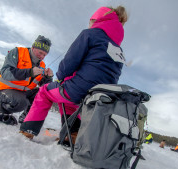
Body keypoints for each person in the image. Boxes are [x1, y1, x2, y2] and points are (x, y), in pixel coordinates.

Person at [20, 6, 128, 140]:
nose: (89, 24)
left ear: (96, 20)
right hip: (100, 96)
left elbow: (69, 63)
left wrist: (60, 76)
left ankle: (28, 129)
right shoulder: (119, 50)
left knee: (44, 92)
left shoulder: (90, 34)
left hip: (80, 89)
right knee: (67, 101)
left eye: (90, 21)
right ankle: (72, 134)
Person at [0, 35, 53, 125]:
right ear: (33, 48)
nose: (42, 56)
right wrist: (29, 72)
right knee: (22, 102)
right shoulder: (17, 52)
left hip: (23, 92)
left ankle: (26, 117)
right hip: (3, 90)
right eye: (40, 53)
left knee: (42, 95)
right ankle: (1, 111)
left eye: (44, 55)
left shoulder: (42, 65)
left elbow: (44, 86)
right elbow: (6, 72)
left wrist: (48, 78)